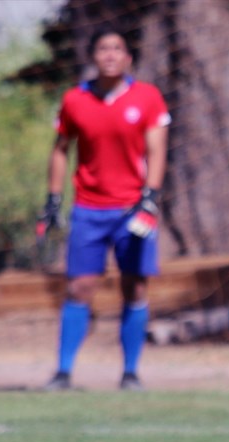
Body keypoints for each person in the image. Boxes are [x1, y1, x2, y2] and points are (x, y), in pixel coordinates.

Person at [36, 27, 170, 392]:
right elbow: (60, 149)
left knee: (135, 287)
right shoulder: (75, 100)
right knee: (80, 287)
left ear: (127, 57)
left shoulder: (147, 98)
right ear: (93, 56)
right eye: (102, 48)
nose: (110, 54)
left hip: (133, 210)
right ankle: (63, 372)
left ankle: (130, 372)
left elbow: (157, 149)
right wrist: (53, 197)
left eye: (117, 48)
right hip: (88, 210)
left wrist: (151, 195)